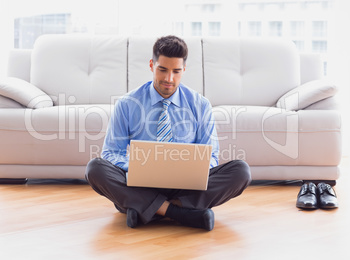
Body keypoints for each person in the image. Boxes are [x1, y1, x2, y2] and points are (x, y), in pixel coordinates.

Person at [85, 35, 251, 231]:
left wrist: (191, 170)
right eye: (162, 70)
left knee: (241, 171)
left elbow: (211, 155)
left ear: (184, 70)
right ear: (151, 65)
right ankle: (181, 213)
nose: (168, 79)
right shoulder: (127, 104)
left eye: (176, 71)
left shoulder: (200, 105)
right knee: (95, 168)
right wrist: (138, 167)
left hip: (185, 186)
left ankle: (148, 210)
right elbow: (111, 153)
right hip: (141, 184)